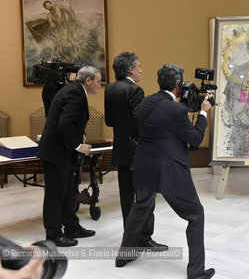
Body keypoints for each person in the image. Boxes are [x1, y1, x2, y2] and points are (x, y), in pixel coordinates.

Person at [116, 64, 215, 279]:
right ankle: (196, 271)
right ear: (178, 84)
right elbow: (195, 138)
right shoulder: (176, 110)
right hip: (169, 170)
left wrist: (188, 109)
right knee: (196, 215)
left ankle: (124, 255)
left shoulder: (146, 102)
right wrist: (204, 114)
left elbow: (164, 123)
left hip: (144, 166)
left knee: (140, 208)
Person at [104, 52, 166, 250]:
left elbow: (110, 121)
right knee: (145, 199)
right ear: (131, 69)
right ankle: (144, 239)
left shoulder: (110, 89)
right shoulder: (135, 90)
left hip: (121, 150)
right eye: (138, 66)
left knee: (126, 199)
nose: (141, 70)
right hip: (138, 152)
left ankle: (130, 239)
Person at [37, 66, 101, 247]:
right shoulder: (75, 94)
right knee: (55, 195)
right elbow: (64, 125)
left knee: (67, 192)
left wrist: (79, 135)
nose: (100, 84)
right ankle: (53, 234)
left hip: (61, 151)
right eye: (98, 80)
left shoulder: (74, 91)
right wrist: (79, 146)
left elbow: (70, 122)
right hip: (56, 152)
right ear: (88, 81)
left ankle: (72, 227)